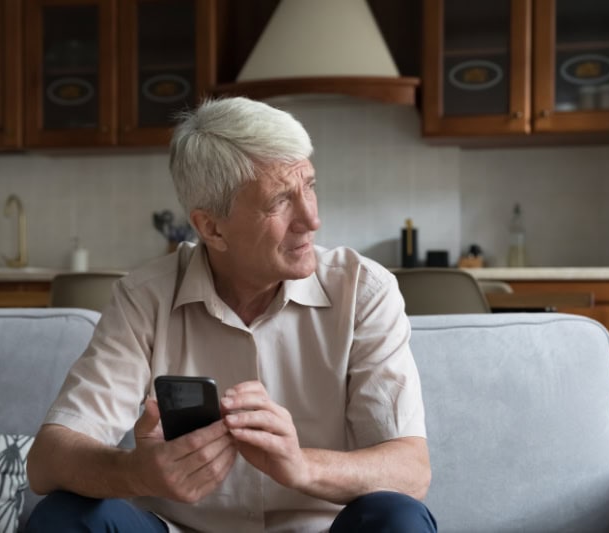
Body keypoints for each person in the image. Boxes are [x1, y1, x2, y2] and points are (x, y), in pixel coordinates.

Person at [25, 96, 436, 532]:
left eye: (310, 186)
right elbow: (47, 460)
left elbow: (411, 470)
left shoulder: (363, 290)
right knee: (64, 515)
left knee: (399, 518)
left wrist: (301, 467)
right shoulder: (145, 297)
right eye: (280, 200)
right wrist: (135, 473)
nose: (311, 219)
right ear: (211, 227)